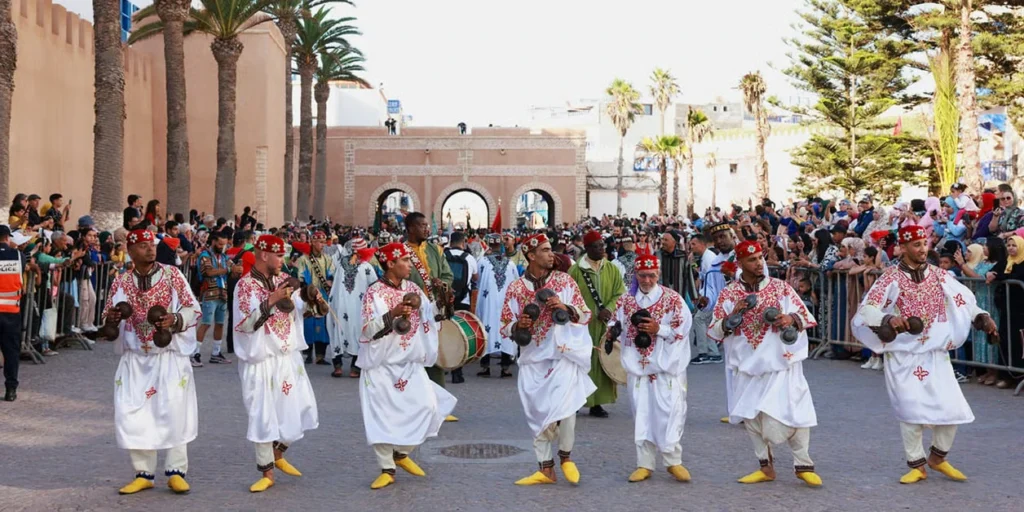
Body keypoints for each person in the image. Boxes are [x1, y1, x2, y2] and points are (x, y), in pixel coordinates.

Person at [851, 225, 998, 484]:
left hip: (935, 354)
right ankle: (916, 465)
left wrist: (982, 317)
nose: (922, 249)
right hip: (903, 356)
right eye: (916, 245)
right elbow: (866, 310)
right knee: (912, 411)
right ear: (903, 247)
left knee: (952, 409)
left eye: (924, 243)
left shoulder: (940, 276)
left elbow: (965, 301)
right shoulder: (890, 278)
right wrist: (888, 318)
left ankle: (938, 458)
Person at [708, 240, 822, 487]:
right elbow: (714, 330)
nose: (759, 263)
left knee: (794, 411)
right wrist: (730, 318)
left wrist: (789, 318)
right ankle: (765, 467)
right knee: (752, 417)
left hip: (781, 363)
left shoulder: (781, 288)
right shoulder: (729, 294)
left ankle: (803, 465)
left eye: (760, 257)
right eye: (752, 260)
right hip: (747, 366)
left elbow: (806, 317)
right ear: (740, 264)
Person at [99, 229, 201, 495]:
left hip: (167, 357)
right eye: (143, 246)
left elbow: (193, 308)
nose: (150, 249)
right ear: (130, 251)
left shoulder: (172, 275)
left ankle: (176, 471)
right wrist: (111, 318)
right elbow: (108, 314)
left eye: (151, 245)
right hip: (135, 357)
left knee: (174, 411)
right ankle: (143, 473)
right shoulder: (121, 281)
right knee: (132, 412)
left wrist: (175, 320)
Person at [358, 242, 457, 490]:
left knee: (429, 406)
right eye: (405, 261)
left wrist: (444, 301)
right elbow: (367, 330)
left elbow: (430, 314)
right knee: (381, 417)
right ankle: (386, 468)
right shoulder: (374, 293)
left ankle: (401, 453)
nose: (410, 266)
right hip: (381, 365)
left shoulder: (413, 287)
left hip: (409, 363)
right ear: (390, 264)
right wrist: (393, 313)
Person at [499, 233, 595, 485]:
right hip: (533, 359)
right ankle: (545, 469)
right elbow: (504, 325)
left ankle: (566, 458)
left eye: (551, 249)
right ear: (531, 255)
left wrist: (565, 308)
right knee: (537, 414)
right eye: (545, 250)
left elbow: (586, 315)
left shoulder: (564, 281)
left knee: (567, 407)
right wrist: (518, 325)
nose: (551, 254)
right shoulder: (517, 288)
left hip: (562, 354)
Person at [232, 235, 321, 493]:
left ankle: (277, 453)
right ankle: (266, 472)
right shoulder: (245, 286)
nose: (283, 261)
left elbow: (298, 309)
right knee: (263, 414)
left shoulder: (282, 281)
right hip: (260, 358)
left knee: (302, 406)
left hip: (287, 356)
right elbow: (244, 323)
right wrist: (271, 299)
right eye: (279, 256)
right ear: (263, 255)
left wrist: (311, 300)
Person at [611, 254, 693, 483]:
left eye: (651, 275)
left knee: (670, 412)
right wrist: (612, 330)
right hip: (637, 368)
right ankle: (644, 463)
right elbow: (615, 322)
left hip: (666, 367)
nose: (647, 280)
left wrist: (660, 329)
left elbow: (683, 328)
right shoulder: (625, 301)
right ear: (635, 275)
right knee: (642, 414)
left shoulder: (673, 299)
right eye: (642, 275)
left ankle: (673, 461)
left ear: (658, 275)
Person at [569, 230, 625, 418]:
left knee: (602, 362)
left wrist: (609, 308)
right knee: (581, 362)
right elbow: (568, 296)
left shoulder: (611, 269)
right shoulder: (576, 271)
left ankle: (597, 403)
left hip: (604, 325)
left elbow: (620, 293)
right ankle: (577, 400)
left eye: (602, 245)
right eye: (597, 246)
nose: (602, 248)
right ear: (587, 248)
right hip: (582, 326)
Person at [402, 213, 456, 407]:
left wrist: (442, 284)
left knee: (434, 355)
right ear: (410, 228)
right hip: (409, 312)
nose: (427, 229)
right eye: (422, 225)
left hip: (433, 312)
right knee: (410, 356)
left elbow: (448, 275)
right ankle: (412, 403)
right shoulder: (400, 252)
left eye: (427, 225)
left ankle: (438, 404)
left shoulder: (436, 250)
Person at [329, 237, 378, 378]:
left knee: (337, 330)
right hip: (358, 307)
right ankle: (354, 368)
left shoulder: (340, 264)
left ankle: (337, 366)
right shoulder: (366, 267)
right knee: (358, 332)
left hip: (339, 305)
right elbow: (374, 285)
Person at [476, 233, 519, 377]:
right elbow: (516, 282)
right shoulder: (510, 263)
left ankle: (485, 366)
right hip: (506, 301)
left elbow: (477, 280)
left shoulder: (482, 261)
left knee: (486, 327)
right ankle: (505, 367)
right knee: (505, 327)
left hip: (488, 301)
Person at [195, 232, 241, 365]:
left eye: (224, 244)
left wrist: (236, 270)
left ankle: (216, 353)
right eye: (220, 244)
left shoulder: (224, 257)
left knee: (220, 324)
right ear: (213, 242)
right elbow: (208, 272)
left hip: (222, 293)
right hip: (209, 294)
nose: (222, 246)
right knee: (206, 323)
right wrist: (228, 270)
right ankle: (195, 353)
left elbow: (233, 272)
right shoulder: (205, 256)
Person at [295, 231, 335, 365]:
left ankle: (320, 355)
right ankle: (308, 354)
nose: (322, 245)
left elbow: (332, 273)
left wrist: (330, 280)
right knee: (309, 324)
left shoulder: (328, 259)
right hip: (309, 296)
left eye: (324, 242)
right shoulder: (303, 259)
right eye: (320, 242)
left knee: (323, 325)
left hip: (323, 296)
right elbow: (301, 277)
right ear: (312, 242)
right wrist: (310, 291)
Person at [443, 231, 478, 383]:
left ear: (450, 242)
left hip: (444, 299)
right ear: (463, 243)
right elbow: (476, 278)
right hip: (463, 299)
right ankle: (458, 372)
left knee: (443, 331)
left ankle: (442, 364)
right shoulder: (469, 258)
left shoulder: (442, 255)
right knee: (460, 334)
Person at [0, 225, 28, 402]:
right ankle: (11, 389)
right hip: (11, 311)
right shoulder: (18, 256)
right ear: (7, 238)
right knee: (11, 352)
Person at [691, 231, 724, 365]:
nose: (691, 247)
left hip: (712, 297)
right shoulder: (706, 257)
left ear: (702, 244)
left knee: (699, 319)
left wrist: (704, 298)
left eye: (694, 244)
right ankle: (713, 352)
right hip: (712, 296)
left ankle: (704, 352)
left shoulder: (709, 259)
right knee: (706, 322)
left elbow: (711, 282)